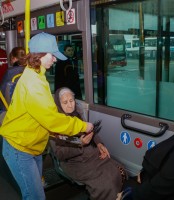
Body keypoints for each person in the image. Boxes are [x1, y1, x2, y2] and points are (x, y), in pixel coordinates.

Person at [0, 32, 93, 200]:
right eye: (52, 55)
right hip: (19, 148)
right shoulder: (33, 83)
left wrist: (56, 132)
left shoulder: (36, 75)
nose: (55, 59)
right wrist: (82, 126)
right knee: (35, 196)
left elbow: (41, 115)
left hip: (31, 145)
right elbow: (51, 119)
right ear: (40, 55)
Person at [50, 87, 127, 200]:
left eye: (71, 101)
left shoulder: (78, 114)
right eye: (65, 102)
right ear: (58, 104)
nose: (70, 105)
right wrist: (79, 143)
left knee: (119, 170)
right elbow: (60, 154)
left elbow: (91, 132)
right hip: (74, 163)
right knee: (104, 185)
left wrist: (100, 144)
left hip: (91, 154)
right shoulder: (54, 125)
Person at [119, 94, 174, 200]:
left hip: (159, 193)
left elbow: (161, 187)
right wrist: (143, 175)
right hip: (152, 181)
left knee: (126, 187)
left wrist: (127, 195)